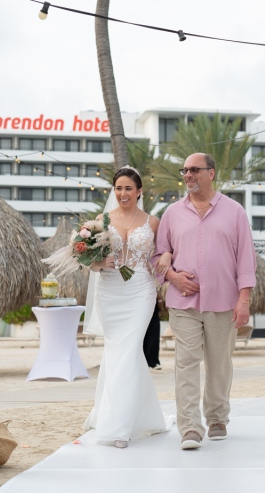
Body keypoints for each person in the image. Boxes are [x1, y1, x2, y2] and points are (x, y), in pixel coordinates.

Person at [153, 153, 256, 450]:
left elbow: (245, 258)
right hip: (183, 302)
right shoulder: (172, 213)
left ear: (211, 173)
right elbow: (158, 256)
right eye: (185, 170)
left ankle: (217, 418)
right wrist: (173, 277)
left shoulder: (235, 212)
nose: (188, 175)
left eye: (194, 170)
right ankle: (189, 427)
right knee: (185, 363)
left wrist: (244, 299)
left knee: (220, 363)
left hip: (224, 301)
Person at [83, 167, 167, 449]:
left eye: (128, 188)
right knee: (117, 351)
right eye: (118, 188)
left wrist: (167, 258)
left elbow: (160, 256)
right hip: (109, 292)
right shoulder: (100, 221)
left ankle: (118, 427)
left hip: (140, 291)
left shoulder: (153, 222)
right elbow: (88, 259)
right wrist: (98, 263)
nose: (122, 194)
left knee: (130, 350)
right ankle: (142, 416)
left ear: (139, 191)